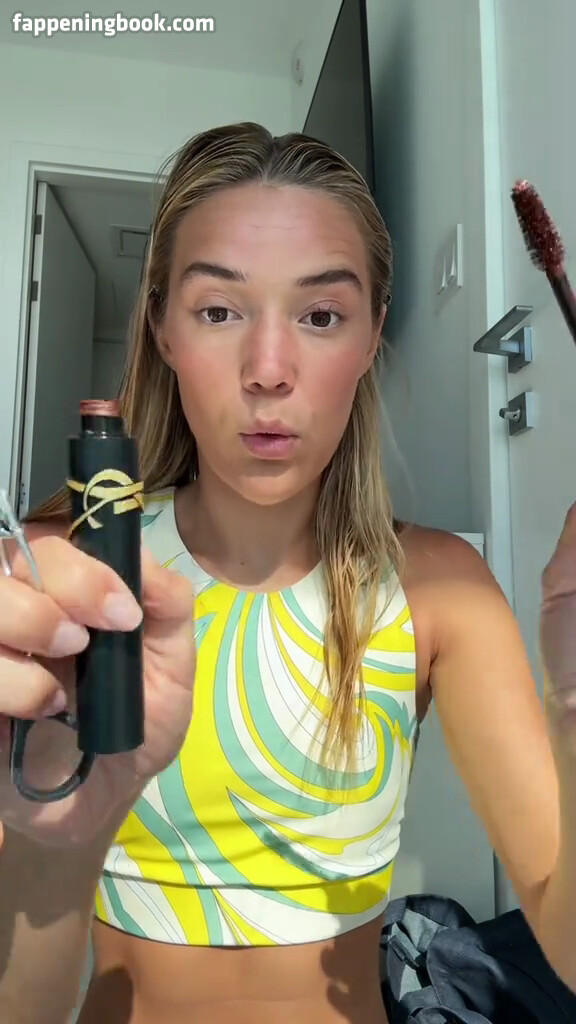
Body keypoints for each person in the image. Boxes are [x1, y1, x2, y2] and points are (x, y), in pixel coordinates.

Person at [0, 121, 575, 1024]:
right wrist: (53, 847)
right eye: (219, 311)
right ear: (162, 327)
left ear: (373, 333)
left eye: (321, 316)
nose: (269, 371)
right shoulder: (67, 577)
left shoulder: (438, 589)